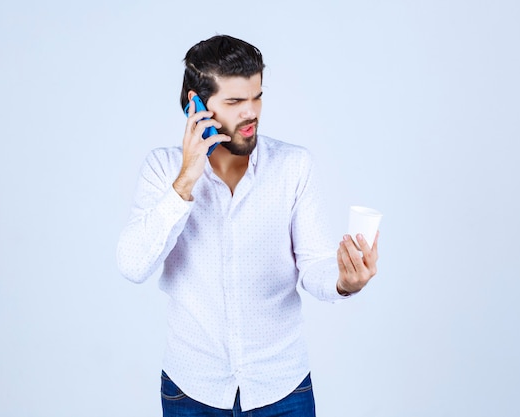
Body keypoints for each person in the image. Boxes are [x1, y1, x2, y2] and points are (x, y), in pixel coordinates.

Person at [116, 34, 379, 417]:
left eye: (256, 97)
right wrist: (187, 179)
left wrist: (344, 281)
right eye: (235, 101)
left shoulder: (293, 166)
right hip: (192, 389)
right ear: (197, 104)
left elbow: (315, 266)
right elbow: (132, 265)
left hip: (282, 388)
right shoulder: (162, 170)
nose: (251, 112)